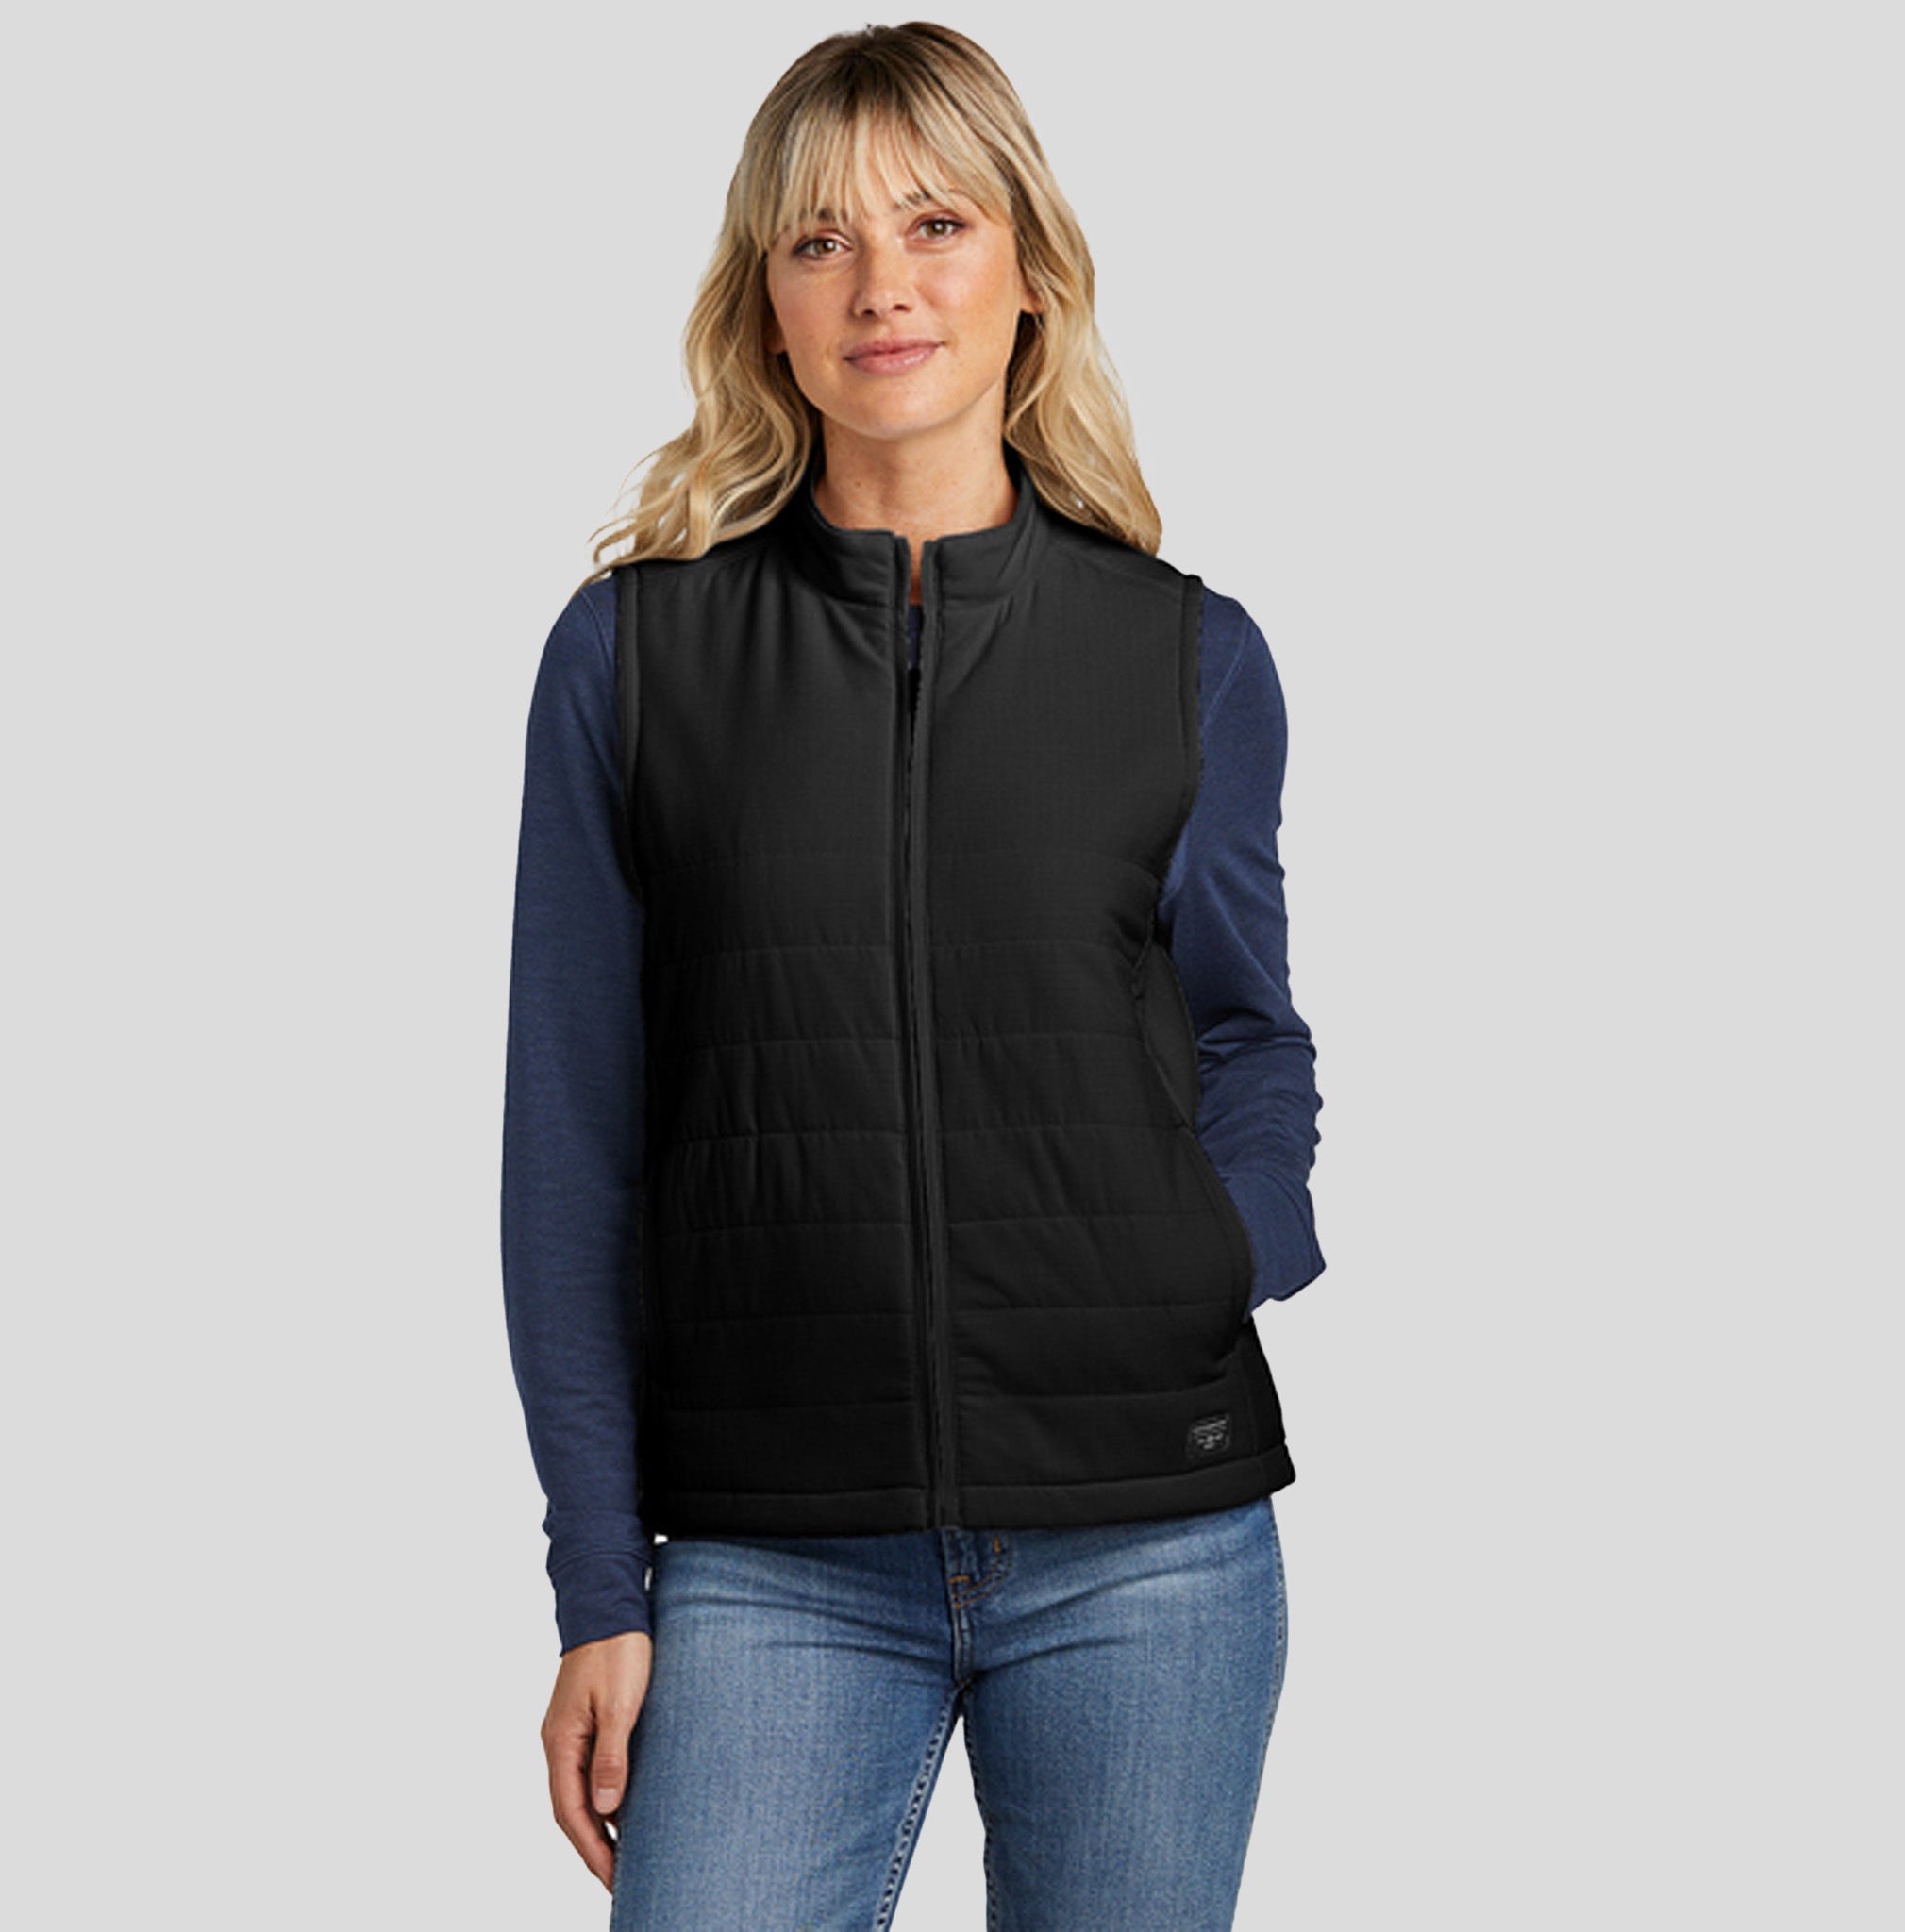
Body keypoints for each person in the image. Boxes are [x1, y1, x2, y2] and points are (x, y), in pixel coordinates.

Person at [501, 21, 1327, 1929]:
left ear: (1027, 270)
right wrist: (599, 1587)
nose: (883, 283)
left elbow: (1245, 1029)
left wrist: (1222, 1248)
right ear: (766, 308)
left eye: (937, 223)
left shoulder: (1184, 657)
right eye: (821, 241)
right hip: (771, 1551)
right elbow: (572, 1146)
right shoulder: (632, 663)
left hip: (1152, 1537)